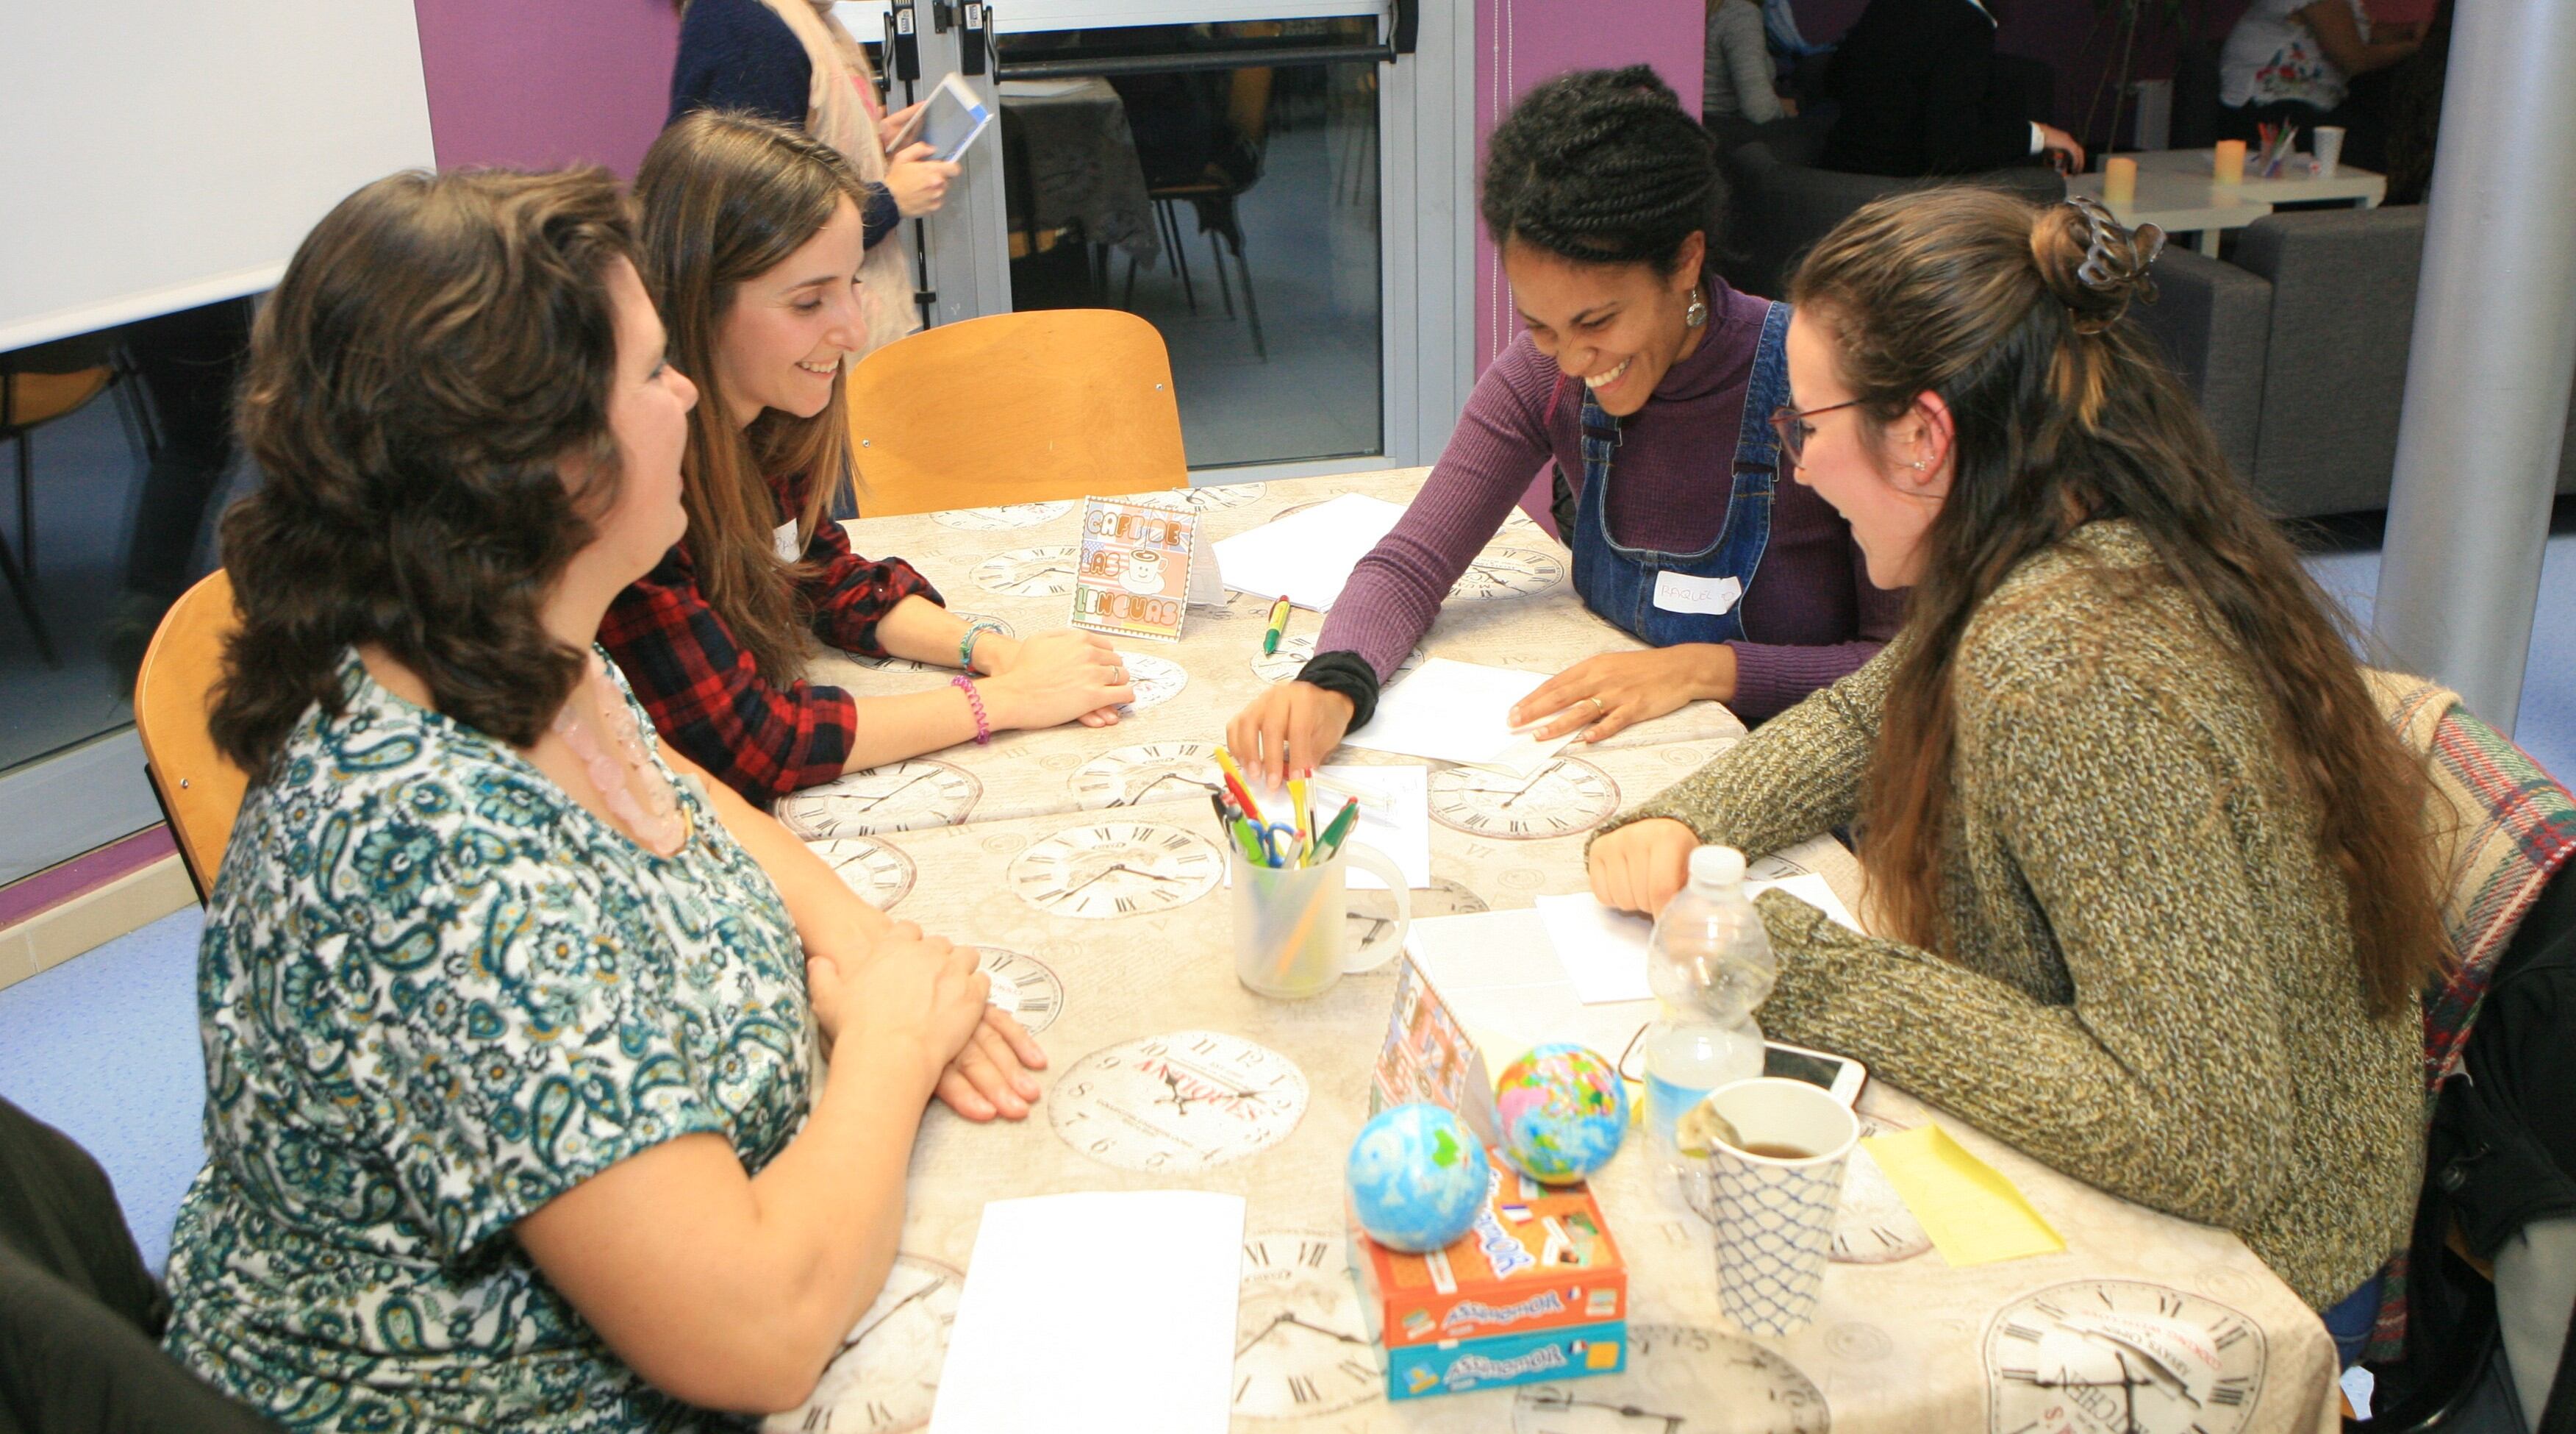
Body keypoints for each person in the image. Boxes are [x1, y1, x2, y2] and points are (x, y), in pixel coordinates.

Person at [160, 165, 1045, 1428]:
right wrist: (892, 1040)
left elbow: (663, 776)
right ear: (535, 461)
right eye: (647, 371)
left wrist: (861, 941)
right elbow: (759, 1332)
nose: (686, 388)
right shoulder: (430, 851)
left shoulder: (505, 643)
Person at [1586, 190, 2447, 1352]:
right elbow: (1866, 715)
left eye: (1805, 429)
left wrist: (1795, 962)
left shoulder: (2063, 662)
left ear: (1925, 434)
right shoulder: (2070, 525)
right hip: (2261, 1187)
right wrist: (1696, 813)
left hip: (2260, 1283)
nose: (1797, 469)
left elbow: (2199, 1134)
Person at [1227, 66, 1905, 789]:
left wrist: (1707, 671)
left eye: (1598, 322)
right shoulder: (1542, 377)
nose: (1576, 362)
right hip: (1634, 771)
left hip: (1808, 784)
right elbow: (1410, 565)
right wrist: (1334, 685)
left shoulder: (1824, 389)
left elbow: (1911, 672)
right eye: (1540, 326)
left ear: (1686, 259)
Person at [609, 112, 1130, 805]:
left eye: (851, 283)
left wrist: (995, 653)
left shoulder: (765, 424)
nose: (853, 330)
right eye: (807, 302)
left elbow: (824, 576)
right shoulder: (638, 497)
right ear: (698, 301)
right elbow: (751, 745)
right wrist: (1005, 702)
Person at [669, 0, 955, 354]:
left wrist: (874, 139)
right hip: (802, 350)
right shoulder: (743, 23)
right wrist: (889, 200)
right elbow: (749, 217)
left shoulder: (810, 20)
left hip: (836, 332)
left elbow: (795, 147)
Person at [1814, 0, 2083, 178]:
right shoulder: (1966, 24)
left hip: (1835, 179)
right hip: (1897, 200)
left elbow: (1835, 79)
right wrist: (2040, 135)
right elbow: (1952, 149)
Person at [2217, 0, 2421, 174]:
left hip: (2305, 102)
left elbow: (2363, 33)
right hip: (2269, 107)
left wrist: (2413, 30)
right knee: (2378, 148)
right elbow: (2353, 58)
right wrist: (2416, 47)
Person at [1705, 0, 1789, 130]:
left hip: (1679, 127)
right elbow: (1759, 110)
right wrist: (1782, 110)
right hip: (1727, 130)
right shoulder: (1738, 14)